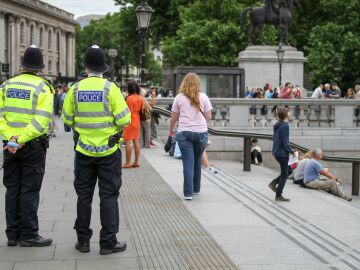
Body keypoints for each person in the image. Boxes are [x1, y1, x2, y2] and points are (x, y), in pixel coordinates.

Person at [62, 45, 131, 255]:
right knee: (108, 196)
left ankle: (83, 241)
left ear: (86, 67)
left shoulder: (74, 89)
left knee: (84, 196)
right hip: (108, 152)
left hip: (83, 151)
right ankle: (108, 242)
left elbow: (66, 119)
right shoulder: (111, 89)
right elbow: (125, 119)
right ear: (104, 67)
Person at [0, 45, 54, 247]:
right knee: (30, 189)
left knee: (12, 188)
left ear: (22, 65)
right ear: (40, 68)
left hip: (10, 146)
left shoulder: (6, 85)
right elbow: (40, 122)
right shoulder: (43, 87)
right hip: (32, 146)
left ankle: (12, 234)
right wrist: (21, 139)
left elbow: (0, 117)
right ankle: (29, 234)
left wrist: (12, 139)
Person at [170, 73, 212, 200]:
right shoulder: (204, 97)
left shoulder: (179, 97)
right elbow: (209, 117)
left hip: (184, 133)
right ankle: (196, 189)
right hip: (201, 133)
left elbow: (174, 117)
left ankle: (188, 193)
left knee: (188, 163)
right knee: (197, 160)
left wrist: (171, 130)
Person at [268, 107, 293, 202]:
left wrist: (290, 149)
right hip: (282, 153)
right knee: (285, 173)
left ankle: (274, 183)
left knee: (288, 171)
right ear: (286, 115)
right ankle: (278, 194)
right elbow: (285, 142)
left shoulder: (278, 125)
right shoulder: (285, 126)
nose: (290, 113)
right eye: (289, 112)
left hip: (277, 152)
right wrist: (292, 151)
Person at [122, 81, 142, 168]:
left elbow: (128, 112)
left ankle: (128, 162)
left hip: (130, 121)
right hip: (137, 120)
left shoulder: (129, 98)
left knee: (128, 141)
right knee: (136, 141)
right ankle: (136, 162)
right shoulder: (139, 97)